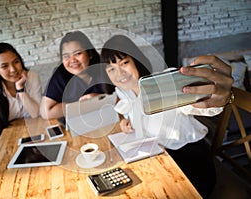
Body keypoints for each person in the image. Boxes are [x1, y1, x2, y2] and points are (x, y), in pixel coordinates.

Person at [100, 35, 233, 198]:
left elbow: (205, 105)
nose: (119, 73)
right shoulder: (123, 91)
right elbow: (126, 108)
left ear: (136, 60)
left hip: (190, 161)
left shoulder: (165, 84)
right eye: (111, 68)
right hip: (157, 158)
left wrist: (216, 100)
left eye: (124, 63)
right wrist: (124, 121)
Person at [0, 42, 42, 173]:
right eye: (5, 66)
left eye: (16, 62)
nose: (13, 69)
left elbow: (35, 114)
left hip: (22, 135)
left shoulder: (32, 77)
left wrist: (20, 89)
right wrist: (4, 154)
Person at [40, 31, 108, 120]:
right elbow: (46, 112)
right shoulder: (60, 74)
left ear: (90, 54)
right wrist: (87, 105)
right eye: (66, 56)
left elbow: (123, 97)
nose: (72, 60)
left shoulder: (105, 68)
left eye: (78, 53)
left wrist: (101, 99)